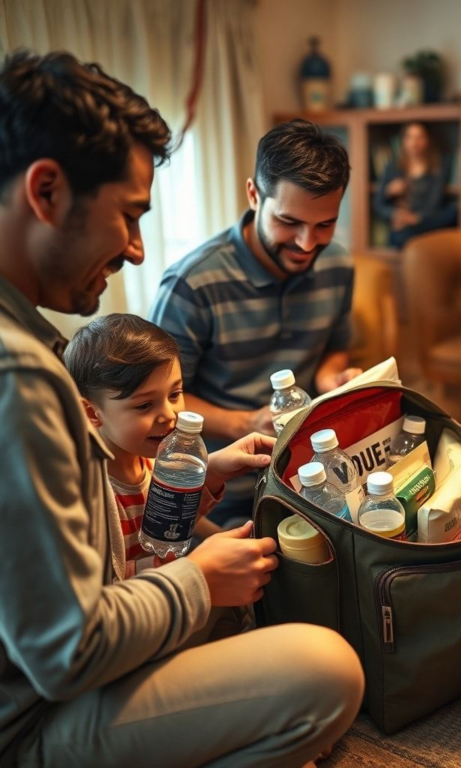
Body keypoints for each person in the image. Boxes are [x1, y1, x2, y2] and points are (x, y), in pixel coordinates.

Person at [0, 50, 363, 768]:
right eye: (129, 215)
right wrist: (198, 579)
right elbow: (68, 649)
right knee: (326, 668)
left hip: (78, 646)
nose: (137, 251)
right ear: (45, 192)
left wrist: (202, 481)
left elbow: (92, 532)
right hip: (34, 716)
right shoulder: (22, 375)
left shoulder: (33, 349)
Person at [150, 118, 362, 525]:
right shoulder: (192, 285)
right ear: (253, 195)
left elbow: (335, 348)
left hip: (312, 479)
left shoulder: (337, 264)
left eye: (324, 225)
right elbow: (158, 406)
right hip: (220, 490)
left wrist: (330, 378)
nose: (307, 244)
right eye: (289, 222)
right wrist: (246, 423)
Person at [64, 314, 224, 576]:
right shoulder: (90, 494)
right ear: (92, 413)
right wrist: (187, 568)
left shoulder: (153, 457)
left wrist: (219, 535)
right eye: (145, 405)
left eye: (175, 394)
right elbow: (101, 584)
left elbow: (175, 516)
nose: (169, 415)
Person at [372, 121, 458, 249]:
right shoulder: (393, 167)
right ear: (403, 141)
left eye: (419, 137)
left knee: (453, 212)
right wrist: (389, 195)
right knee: (399, 236)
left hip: (426, 220)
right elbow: (378, 204)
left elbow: (434, 205)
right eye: (410, 137)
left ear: (427, 140)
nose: (414, 142)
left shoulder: (437, 168)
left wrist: (415, 218)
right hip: (401, 223)